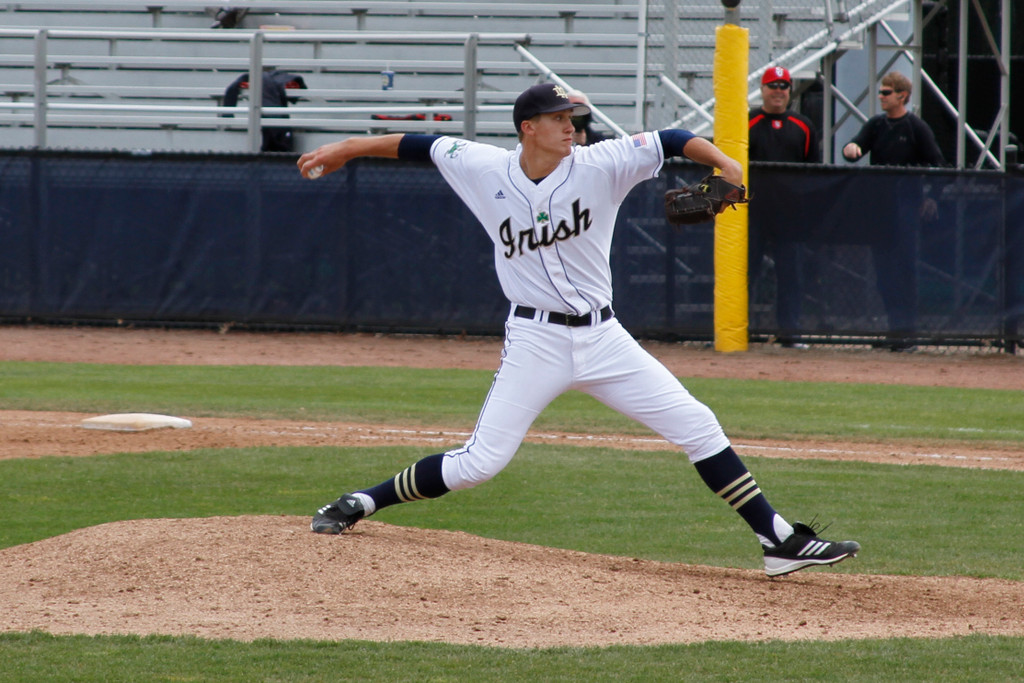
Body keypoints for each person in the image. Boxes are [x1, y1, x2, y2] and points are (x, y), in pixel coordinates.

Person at [297, 82, 860, 577]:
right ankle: (361, 503)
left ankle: (778, 540)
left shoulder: (600, 163)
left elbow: (671, 137)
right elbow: (415, 144)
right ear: (529, 129)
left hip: (604, 338)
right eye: (560, 118)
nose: (572, 126)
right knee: (480, 464)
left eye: (573, 117)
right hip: (535, 340)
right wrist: (347, 148)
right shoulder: (483, 167)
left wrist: (729, 168)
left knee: (697, 423)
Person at [843, 71, 945, 351]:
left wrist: (932, 197)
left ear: (902, 95)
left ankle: (907, 332)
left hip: (906, 207)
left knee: (905, 270)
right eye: (881, 92)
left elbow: (938, 164)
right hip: (880, 209)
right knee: (884, 272)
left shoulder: (915, 127)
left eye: (886, 92)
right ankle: (894, 329)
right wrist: (851, 149)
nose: (881, 97)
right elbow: (856, 146)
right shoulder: (877, 125)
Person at [748, 66, 820, 349]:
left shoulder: (803, 126)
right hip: (753, 213)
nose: (778, 91)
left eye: (784, 86)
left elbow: (814, 170)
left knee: (791, 276)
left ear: (790, 91)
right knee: (746, 274)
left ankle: (790, 333)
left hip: (790, 216)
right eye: (772, 86)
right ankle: (739, 332)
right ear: (763, 90)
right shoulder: (748, 123)